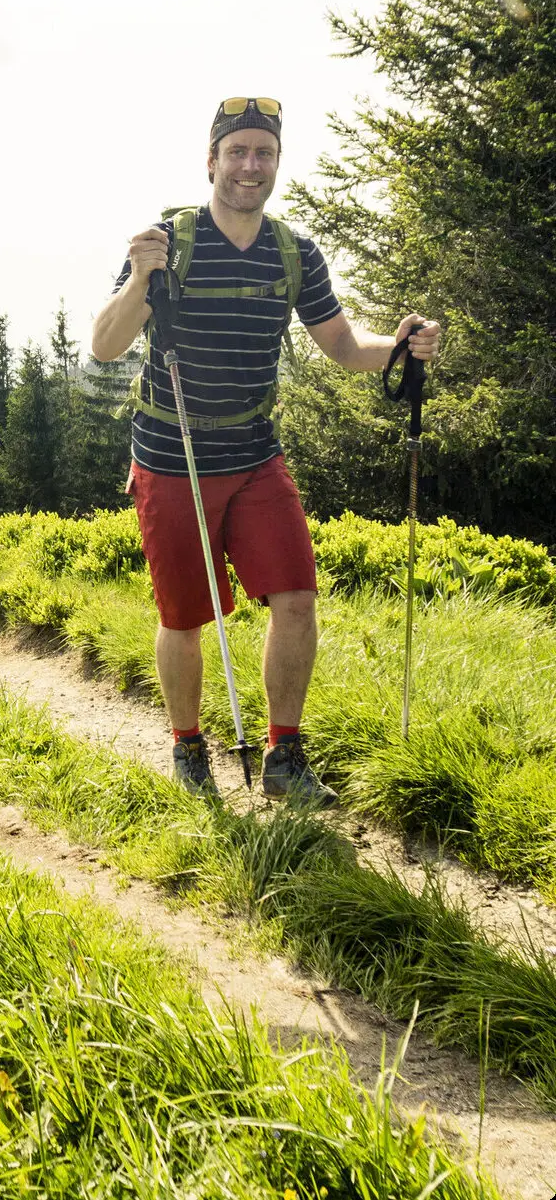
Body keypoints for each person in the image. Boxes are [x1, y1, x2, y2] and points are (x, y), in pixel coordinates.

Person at [90, 97, 440, 805]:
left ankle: (285, 755)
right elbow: (104, 345)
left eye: (264, 153)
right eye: (238, 151)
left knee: (298, 597)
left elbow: (342, 344)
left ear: (276, 163)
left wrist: (397, 346)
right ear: (211, 160)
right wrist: (138, 279)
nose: (251, 165)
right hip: (173, 455)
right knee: (185, 618)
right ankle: (188, 749)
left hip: (255, 454)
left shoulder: (293, 253)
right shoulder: (168, 241)